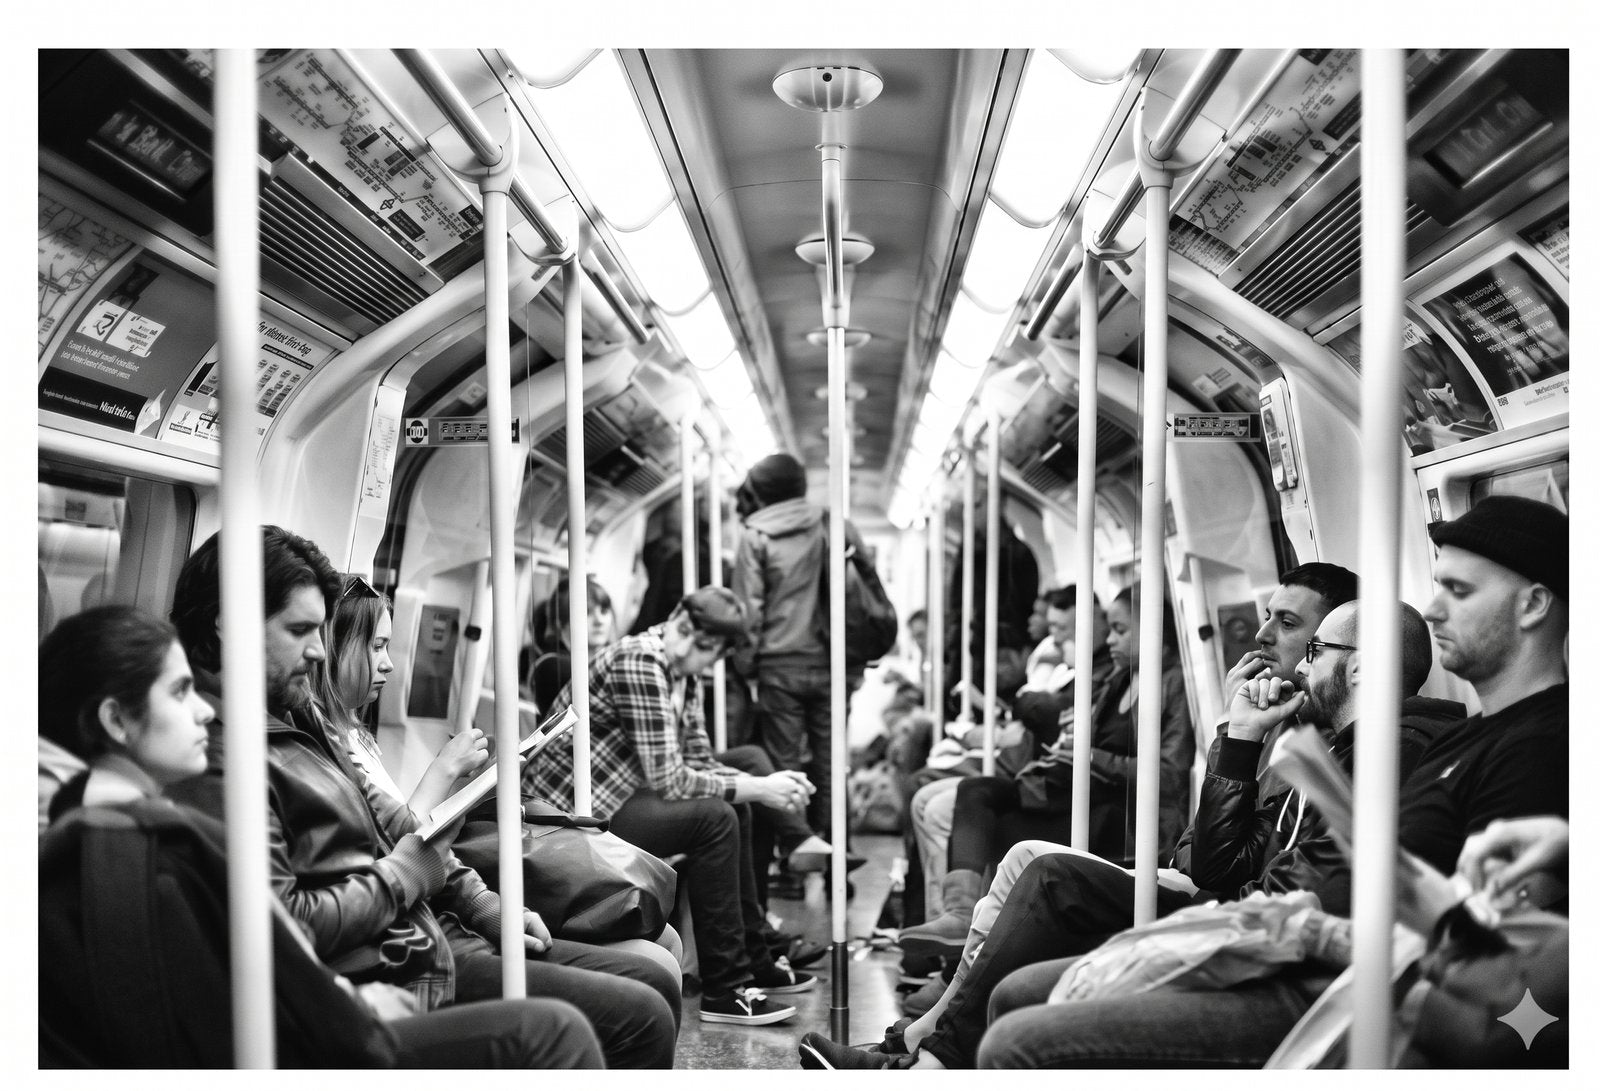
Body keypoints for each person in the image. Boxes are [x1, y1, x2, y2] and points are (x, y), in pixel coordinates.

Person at [972, 497, 1568, 1068]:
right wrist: (1239, 740)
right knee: (1018, 994)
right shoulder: (1464, 740)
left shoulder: (1536, 748)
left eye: (1458, 591)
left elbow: (1508, 984)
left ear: (1533, 606)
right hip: (1308, 950)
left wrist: (1314, 932)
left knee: (1018, 1039)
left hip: (1349, 987)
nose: (1434, 609)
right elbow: (1221, 864)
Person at [799, 592, 1444, 1070]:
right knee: (1013, 846)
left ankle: (923, 1053)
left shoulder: (1388, 755)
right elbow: (1216, 860)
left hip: (1252, 928)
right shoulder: (1328, 745)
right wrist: (1241, 735)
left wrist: (1240, 741)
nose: (1298, 664)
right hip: (1230, 901)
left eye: (1312, 649)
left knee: (1042, 874)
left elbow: (1264, 884)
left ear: (1359, 668)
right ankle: (921, 1048)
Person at [167, 526, 678, 1068]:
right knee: (632, 1014)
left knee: (649, 981)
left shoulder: (305, 718)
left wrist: (489, 908)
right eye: (300, 630)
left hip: (424, 931)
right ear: (231, 624)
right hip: (385, 964)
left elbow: (405, 831)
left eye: (320, 631)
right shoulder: (219, 760)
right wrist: (408, 872)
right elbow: (292, 923)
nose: (318, 652)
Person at [39, 605, 604, 1069]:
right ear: (116, 722)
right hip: (316, 1038)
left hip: (344, 993)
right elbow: (231, 994)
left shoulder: (101, 822)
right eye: (180, 693)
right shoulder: (145, 847)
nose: (203, 714)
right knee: (554, 1032)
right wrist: (357, 1010)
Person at [314, 572, 685, 981]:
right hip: (424, 909)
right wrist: (444, 771)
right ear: (334, 650)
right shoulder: (330, 748)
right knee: (658, 962)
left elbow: (401, 829)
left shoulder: (356, 734)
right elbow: (402, 842)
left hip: (448, 884)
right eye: (377, 646)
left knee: (666, 942)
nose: (388, 662)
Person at [528, 586, 820, 1025]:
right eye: (689, 637)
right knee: (718, 817)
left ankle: (753, 955)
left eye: (706, 650)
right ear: (678, 622)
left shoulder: (680, 672)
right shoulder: (641, 662)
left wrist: (761, 784)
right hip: (575, 811)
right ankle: (726, 987)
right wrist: (762, 789)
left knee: (744, 778)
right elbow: (671, 778)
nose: (691, 652)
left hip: (623, 791)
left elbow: (698, 759)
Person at [901, 585, 1116, 950]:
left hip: (1077, 788)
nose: (1055, 636)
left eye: (1065, 629)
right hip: (1046, 770)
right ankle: (947, 924)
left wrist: (1029, 704)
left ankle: (957, 936)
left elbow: (1045, 715)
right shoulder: (1072, 666)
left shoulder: (1101, 674)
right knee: (930, 794)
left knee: (941, 805)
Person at [731, 451, 856, 853]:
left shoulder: (755, 535)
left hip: (778, 666)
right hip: (831, 663)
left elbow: (749, 610)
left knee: (786, 765)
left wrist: (747, 666)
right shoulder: (831, 526)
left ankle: (799, 855)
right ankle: (836, 847)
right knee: (830, 762)